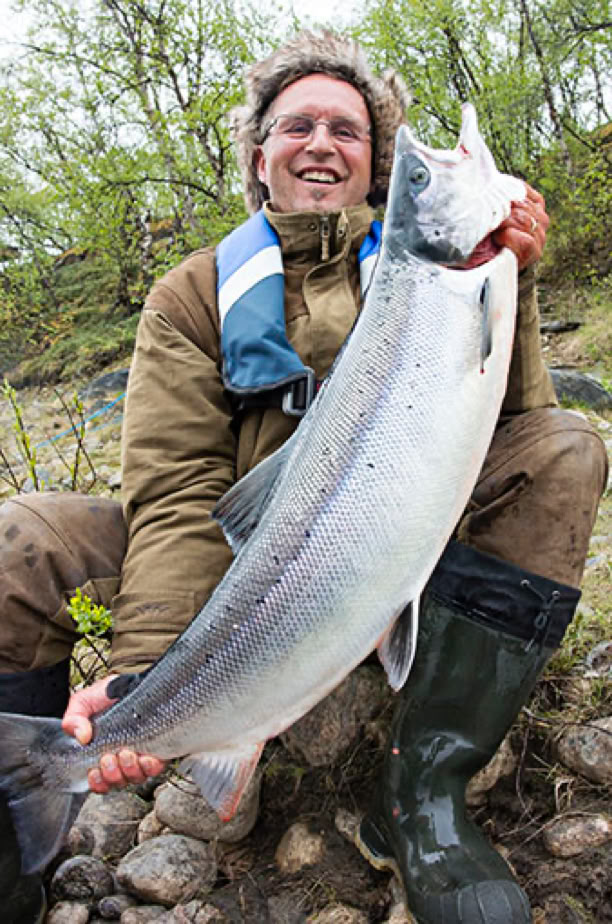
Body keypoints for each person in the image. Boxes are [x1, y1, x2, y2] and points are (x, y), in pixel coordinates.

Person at [0, 31, 607, 924]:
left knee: (567, 446)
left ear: (375, 167)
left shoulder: (435, 272)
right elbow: (176, 489)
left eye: (348, 130)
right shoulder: (190, 295)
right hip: (228, 568)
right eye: (298, 126)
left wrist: (511, 278)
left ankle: (423, 794)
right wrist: (145, 676)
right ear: (260, 157)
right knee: (20, 541)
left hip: (406, 537)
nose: (322, 143)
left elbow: (511, 427)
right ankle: (20, 832)